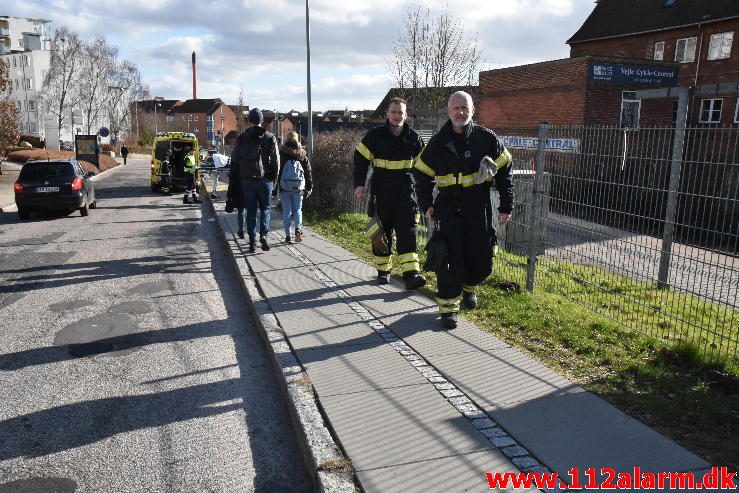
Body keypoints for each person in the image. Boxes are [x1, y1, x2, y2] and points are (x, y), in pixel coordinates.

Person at [413, 91, 514, 329]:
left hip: (478, 209)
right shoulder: (438, 143)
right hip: (447, 211)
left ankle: (469, 287)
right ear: (448, 111)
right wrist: (426, 204)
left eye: (464, 108)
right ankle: (448, 310)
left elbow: (505, 168)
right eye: (456, 108)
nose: (460, 112)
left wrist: (506, 204)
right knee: (448, 260)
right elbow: (421, 173)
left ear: (472, 110)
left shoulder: (486, 139)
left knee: (482, 262)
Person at [353, 97, 427, 290]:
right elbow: (360, 160)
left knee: (408, 232)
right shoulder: (374, 136)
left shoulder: (414, 138)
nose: (397, 115)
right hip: (381, 192)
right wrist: (359, 185)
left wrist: (426, 190)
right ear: (387, 114)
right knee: (381, 232)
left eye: (400, 112)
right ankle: (383, 271)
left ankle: (411, 274)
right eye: (393, 112)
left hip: (406, 192)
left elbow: (424, 168)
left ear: (406, 115)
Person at [229, 108, 280, 253]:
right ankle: (263, 234)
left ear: (249, 121)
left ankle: (252, 242)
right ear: (261, 120)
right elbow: (276, 162)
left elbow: (235, 161)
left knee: (250, 211)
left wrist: (233, 181)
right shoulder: (270, 137)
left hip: (247, 180)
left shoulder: (242, 138)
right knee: (265, 209)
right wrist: (274, 181)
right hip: (265, 180)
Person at [278, 131, 313, 243]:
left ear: (287, 140)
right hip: (298, 187)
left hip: (284, 187)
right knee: (297, 210)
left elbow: (277, 171)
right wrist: (309, 187)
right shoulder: (302, 154)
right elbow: (308, 172)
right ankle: (298, 230)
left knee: (286, 212)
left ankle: (288, 236)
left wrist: (275, 187)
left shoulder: (281, 153)